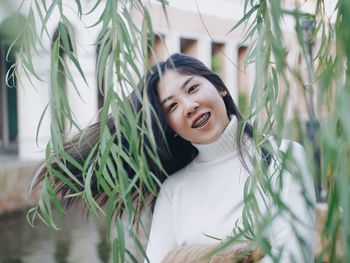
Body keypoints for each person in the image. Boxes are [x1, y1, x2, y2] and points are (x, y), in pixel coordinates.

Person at [34, 53, 315, 263]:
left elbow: (295, 255)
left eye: (192, 89)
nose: (190, 106)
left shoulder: (282, 158)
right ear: (170, 127)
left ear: (220, 88)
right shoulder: (174, 189)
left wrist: (187, 257)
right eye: (172, 106)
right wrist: (241, 253)